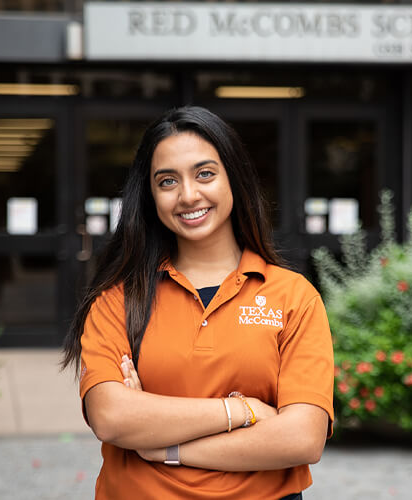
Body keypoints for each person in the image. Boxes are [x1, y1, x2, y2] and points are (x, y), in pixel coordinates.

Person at [61, 106, 334, 500]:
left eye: (205, 173)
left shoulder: (293, 297)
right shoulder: (117, 299)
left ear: (233, 179)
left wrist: (164, 446)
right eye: (167, 181)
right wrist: (242, 412)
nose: (189, 195)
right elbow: (111, 416)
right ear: (151, 195)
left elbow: (302, 438)